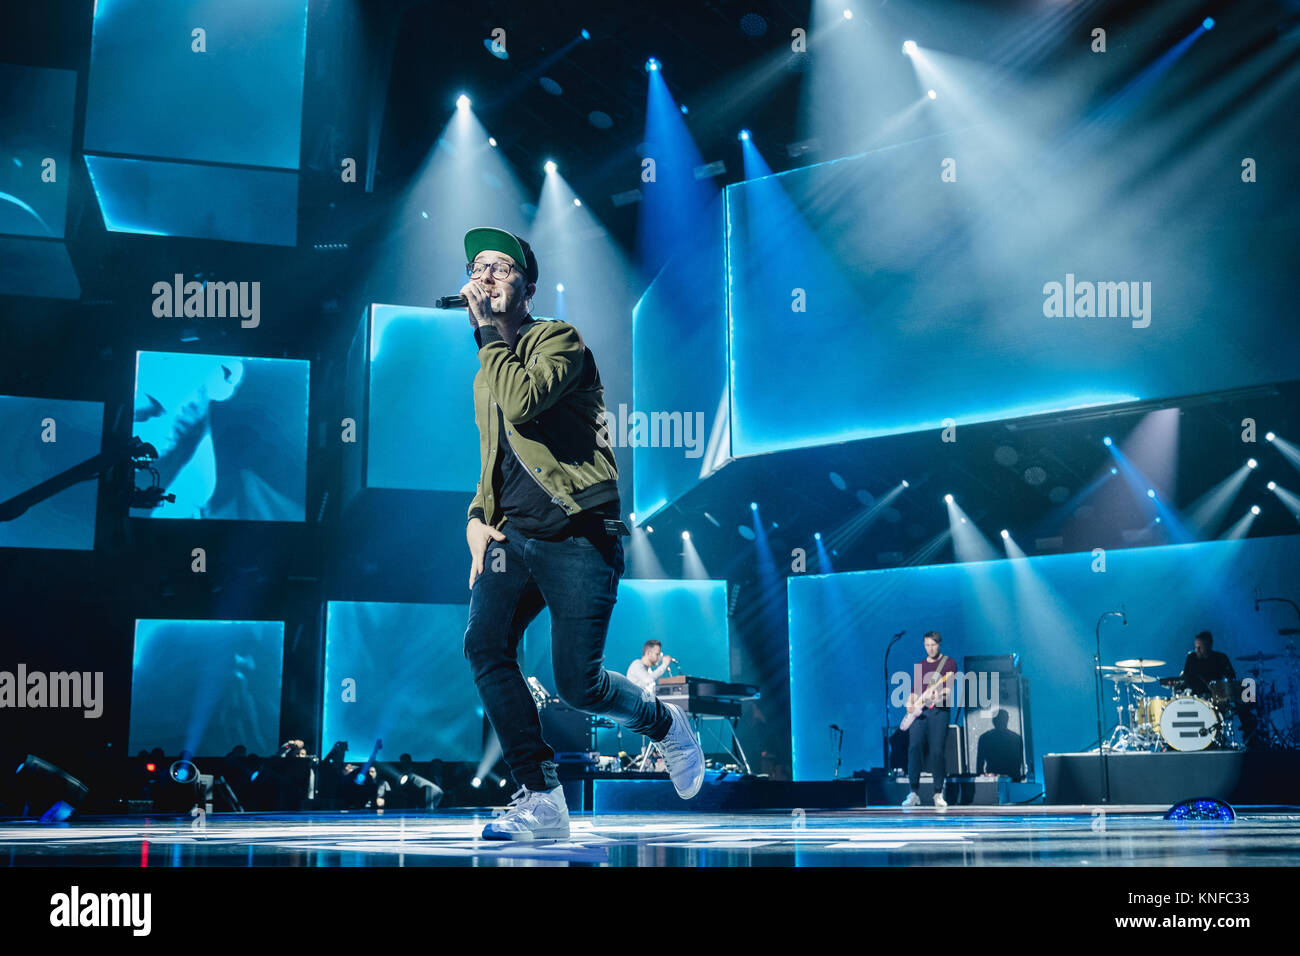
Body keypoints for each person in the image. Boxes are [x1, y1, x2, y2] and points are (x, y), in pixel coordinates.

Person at [459, 227, 704, 841]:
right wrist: (474, 518)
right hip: (512, 537)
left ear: (528, 288)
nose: (485, 276)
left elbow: (522, 403)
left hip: (578, 531)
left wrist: (486, 333)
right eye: (476, 267)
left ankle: (665, 724)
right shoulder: (485, 372)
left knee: (577, 683)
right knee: (485, 646)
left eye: (500, 268)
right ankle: (540, 795)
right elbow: (494, 457)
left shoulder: (557, 341)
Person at [901, 631, 957, 808]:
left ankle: (938, 793)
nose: (930, 648)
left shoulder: (948, 663)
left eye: (933, 645)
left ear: (939, 644)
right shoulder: (920, 665)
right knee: (914, 748)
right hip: (920, 714)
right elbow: (914, 691)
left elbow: (948, 690)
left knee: (937, 752)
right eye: (926, 645)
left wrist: (937, 696)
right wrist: (909, 703)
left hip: (939, 712)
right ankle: (913, 792)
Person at [1178, 630, 1257, 744]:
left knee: (1244, 698)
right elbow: (1185, 678)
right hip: (1196, 696)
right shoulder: (1191, 658)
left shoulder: (1220, 658)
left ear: (1208, 645)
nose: (1197, 650)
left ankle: (1249, 733)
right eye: (1196, 647)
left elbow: (1231, 679)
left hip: (1217, 696)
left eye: (1200, 647)